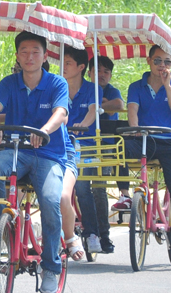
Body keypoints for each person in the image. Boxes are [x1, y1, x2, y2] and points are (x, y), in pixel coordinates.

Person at [0, 31, 68, 293]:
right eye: (24, 51)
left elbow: (61, 113)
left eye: (35, 51)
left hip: (50, 154)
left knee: (51, 200)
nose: (29, 57)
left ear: (45, 56)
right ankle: (2, 226)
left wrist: (43, 130)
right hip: (17, 151)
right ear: (18, 56)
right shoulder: (9, 82)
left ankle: (52, 267)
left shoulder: (57, 83)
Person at [62, 46, 104, 256]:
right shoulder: (56, 86)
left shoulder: (93, 89)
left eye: (67, 63)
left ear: (80, 67)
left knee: (82, 187)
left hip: (85, 145)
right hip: (61, 144)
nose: (63, 67)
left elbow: (92, 111)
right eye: (61, 63)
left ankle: (92, 233)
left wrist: (81, 126)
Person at [122, 45, 171, 202]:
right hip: (144, 140)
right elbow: (132, 111)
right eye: (157, 60)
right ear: (149, 61)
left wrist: (167, 86)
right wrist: (135, 129)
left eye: (167, 61)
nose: (162, 65)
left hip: (168, 142)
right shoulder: (136, 86)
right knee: (119, 149)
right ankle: (124, 195)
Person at [87, 55, 120, 253]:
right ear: (89, 72)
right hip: (84, 143)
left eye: (106, 72)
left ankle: (104, 235)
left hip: (105, 145)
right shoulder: (83, 89)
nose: (101, 75)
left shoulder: (111, 91)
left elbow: (117, 104)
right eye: (97, 71)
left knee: (99, 188)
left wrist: (98, 107)